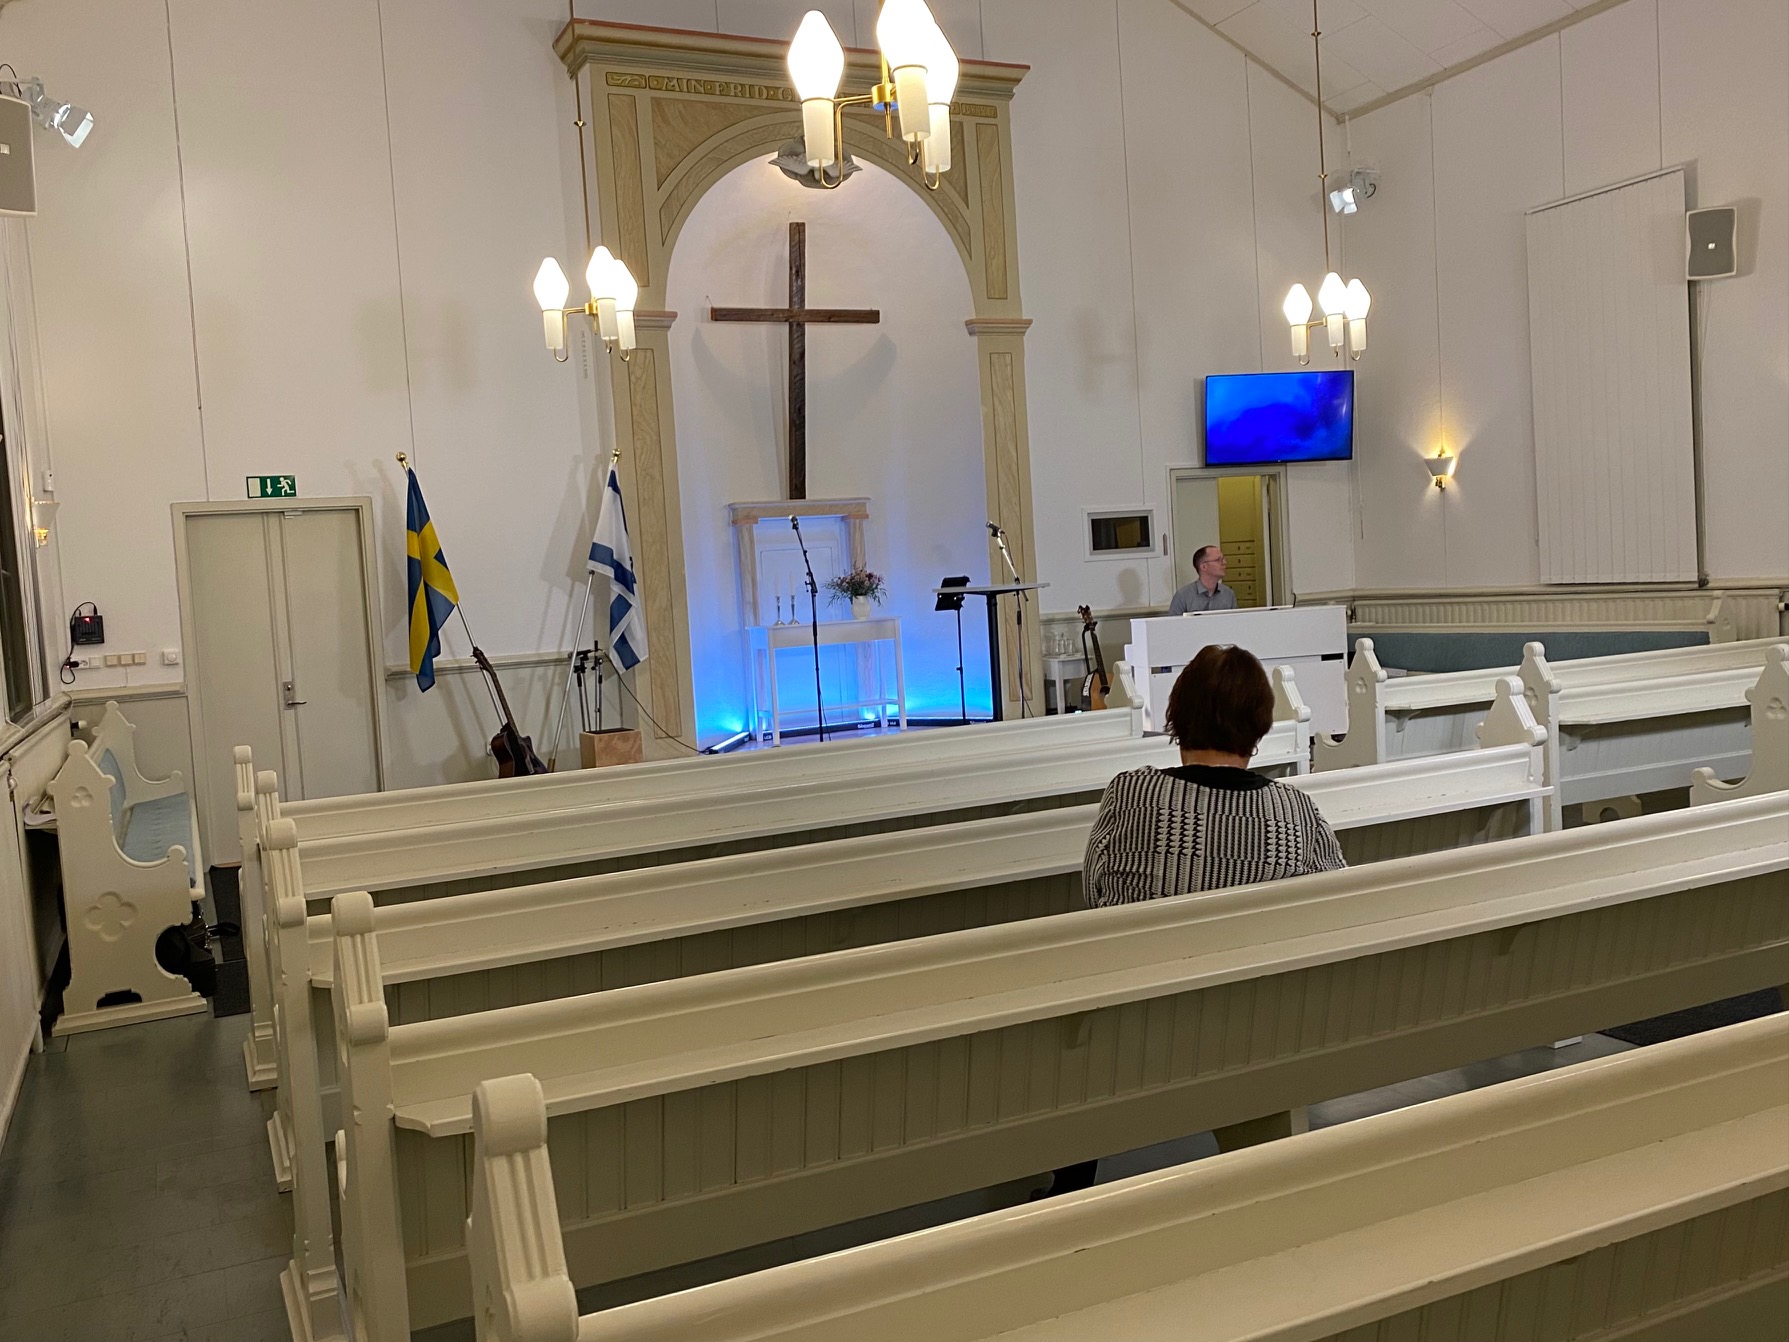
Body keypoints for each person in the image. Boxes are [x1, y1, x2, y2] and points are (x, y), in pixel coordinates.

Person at [1038, 645, 1345, 1198]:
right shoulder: (1296, 811)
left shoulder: (1131, 794)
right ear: (1260, 724)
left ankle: (1071, 1182)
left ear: (1177, 714)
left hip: (1137, 1030)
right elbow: (1333, 904)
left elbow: (1098, 896)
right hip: (1261, 1027)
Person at [1167, 545, 1237, 615]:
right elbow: (1173, 621)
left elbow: (1235, 620)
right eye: (1218, 560)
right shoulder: (1183, 596)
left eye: (1223, 559)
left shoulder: (1229, 594)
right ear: (1204, 566)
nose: (1224, 562)